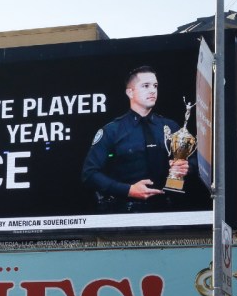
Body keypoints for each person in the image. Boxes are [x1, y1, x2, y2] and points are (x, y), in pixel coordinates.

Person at [80, 65, 190, 212]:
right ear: (130, 92)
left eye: (155, 86)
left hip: (169, 210)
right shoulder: (112, 131)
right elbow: (90, 174)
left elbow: (194, 161)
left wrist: (186, 167)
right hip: (125, 211)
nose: (152, 90)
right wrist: (128, 190)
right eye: (146, 86)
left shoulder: (171, 126)